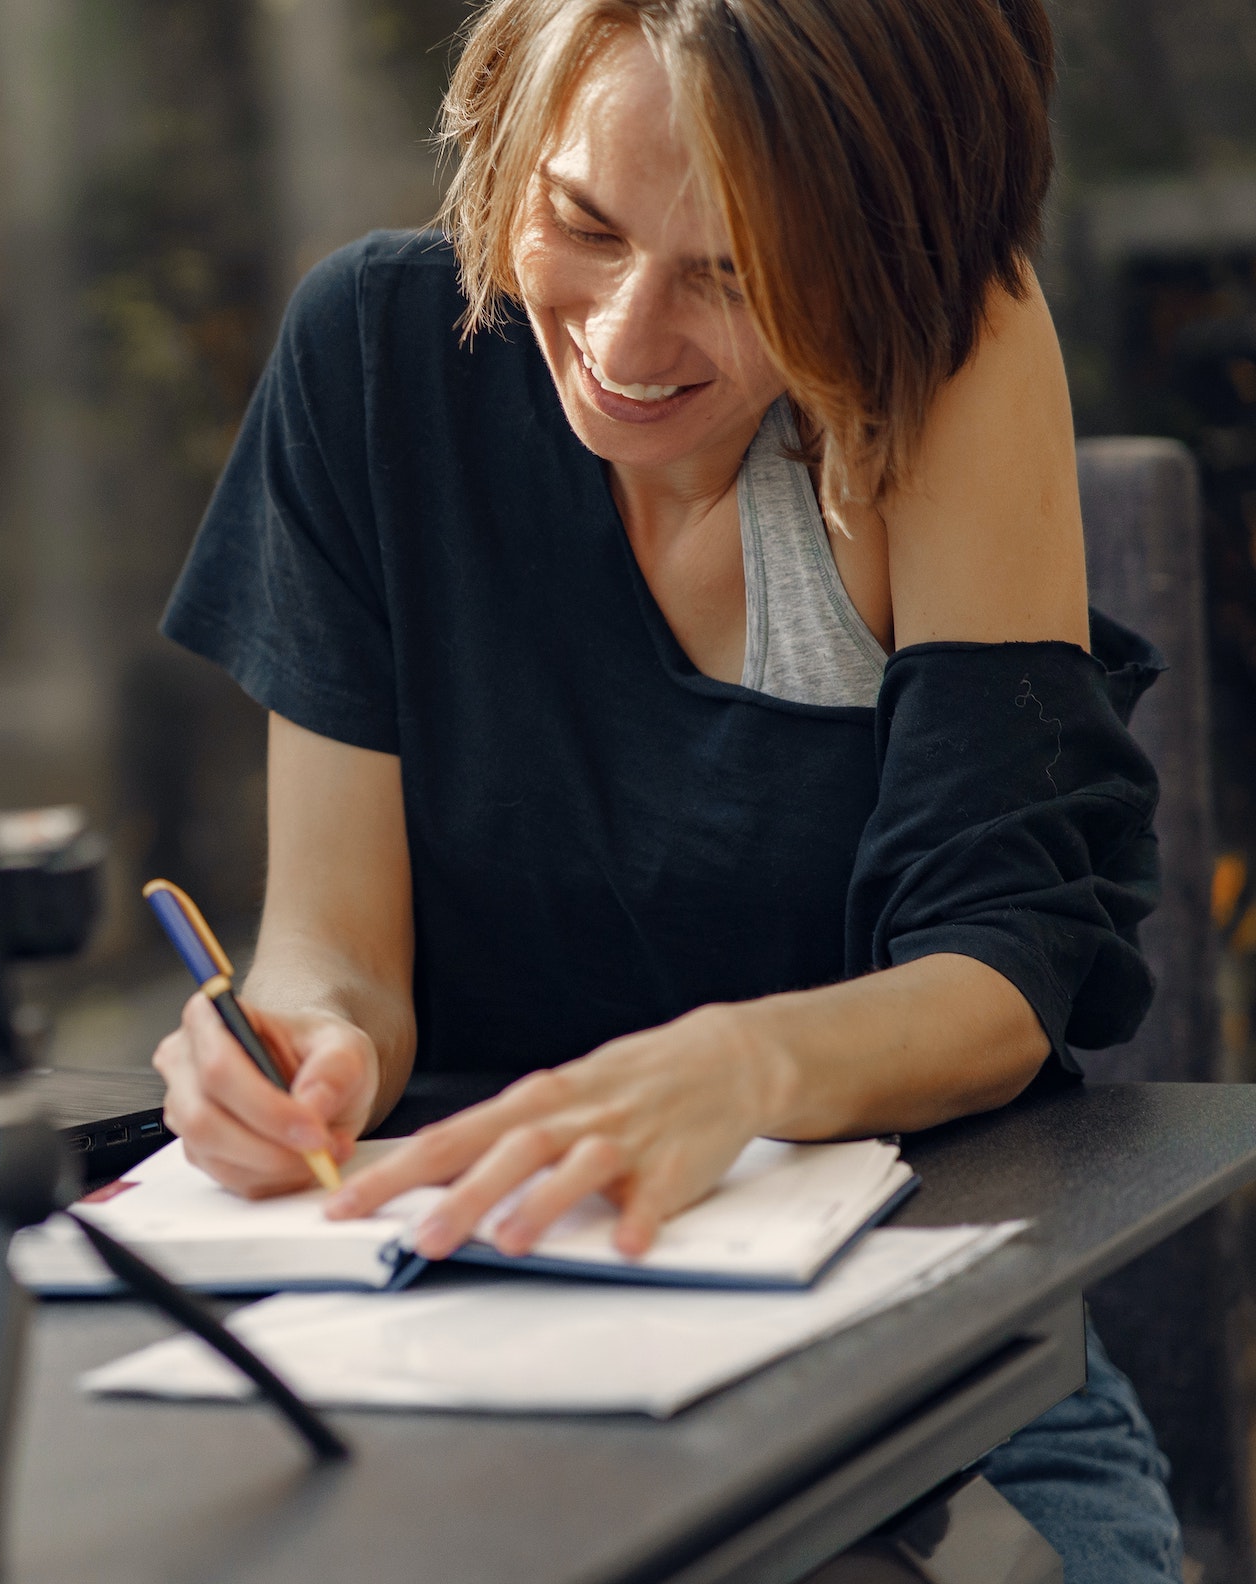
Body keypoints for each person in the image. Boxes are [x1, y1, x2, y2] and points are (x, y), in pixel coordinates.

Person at [148, 0, 1184, 1576]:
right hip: (469, 1356)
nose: (628, 346)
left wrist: (736, 1073)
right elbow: (338, 948)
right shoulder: (371, 359)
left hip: (926, 1392)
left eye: (736, 276)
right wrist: (303, 1045)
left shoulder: (941, 362)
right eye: (580, 224)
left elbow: (1000, 974)